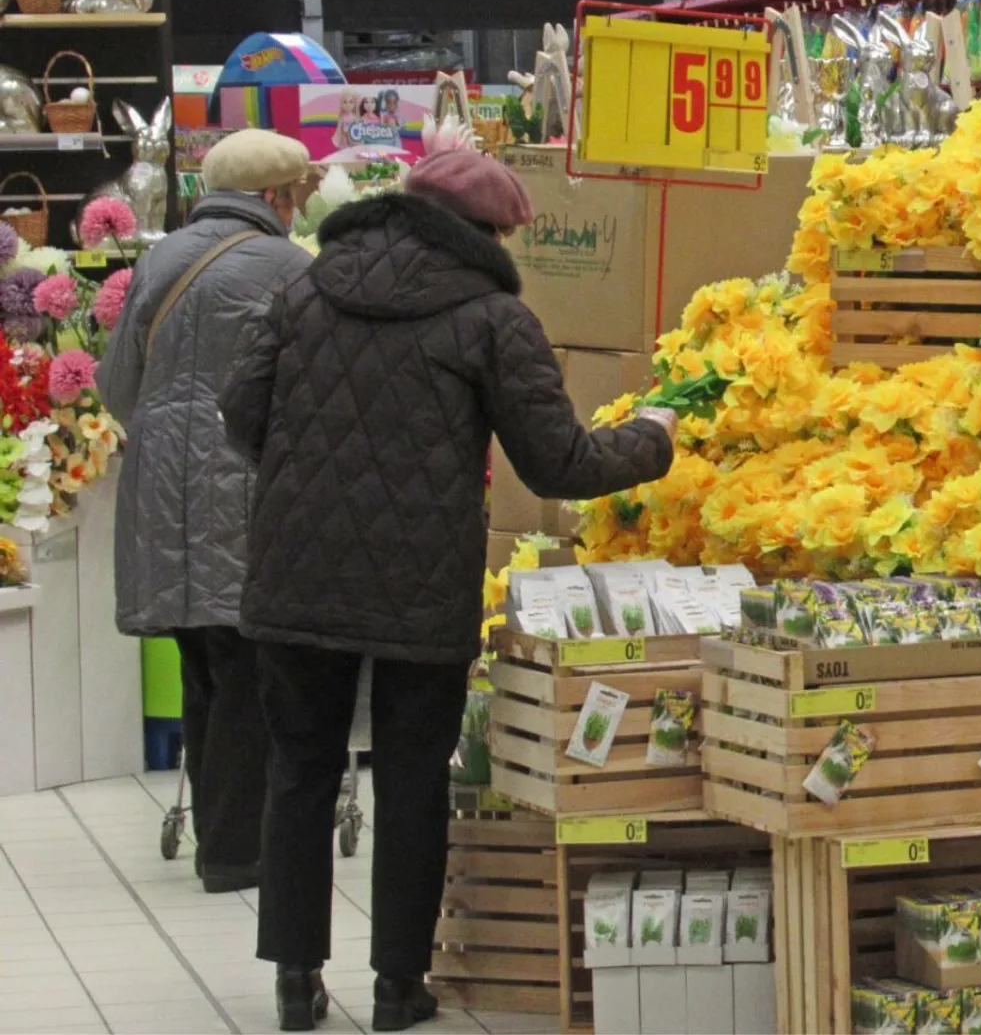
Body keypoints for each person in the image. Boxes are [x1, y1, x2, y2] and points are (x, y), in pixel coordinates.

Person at [220, 148, 677, 1032]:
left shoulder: (305, 291)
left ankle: (294, 982)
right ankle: (399, 987)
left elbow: (242, 415)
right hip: (418, 582)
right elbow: (558, 460)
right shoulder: (492, 319)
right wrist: (654, 438)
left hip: (294, 572)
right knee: (413, 776)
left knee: (300, 770)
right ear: (483, 234)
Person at [98, 128, 314, 894]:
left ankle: (218, 835)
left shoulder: (158, 259)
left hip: (161, 488)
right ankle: (233, 850)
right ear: (275, 198)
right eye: (298, 195)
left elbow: (115, 387)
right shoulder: (290, 268)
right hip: (243, 486)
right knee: (249, 664)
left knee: (202, 660)